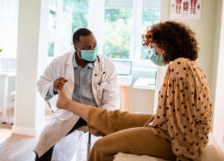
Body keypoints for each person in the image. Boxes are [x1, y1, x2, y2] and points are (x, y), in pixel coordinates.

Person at [56, 21, 212, 161]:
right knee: (115, 118)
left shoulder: (179, 68)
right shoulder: (188, 65)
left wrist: (185, 157)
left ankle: (68, 105)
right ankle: (67, 103)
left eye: (153, 47)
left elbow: (183, 124)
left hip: (169, 136)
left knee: (101, 147)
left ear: (164, 44)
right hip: (165, 124)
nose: (153, 52)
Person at [34, 28, 119, 160]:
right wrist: (53, 88)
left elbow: (112, 98)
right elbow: (42, 82)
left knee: (115, 141)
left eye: (95, 46)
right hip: (70, 113)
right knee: (45, 140)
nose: (93, 51)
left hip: (96, 111)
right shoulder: (60, 62)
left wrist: (103, 116)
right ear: (76, 48)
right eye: (88, 47)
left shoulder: (107, 65)